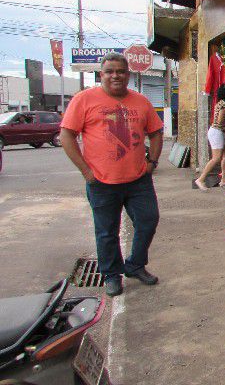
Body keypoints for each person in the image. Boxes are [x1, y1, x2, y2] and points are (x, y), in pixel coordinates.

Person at [60, 52, 164, 297]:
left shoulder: (141, 101)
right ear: (101, 74)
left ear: (128, 74)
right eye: (110, 71)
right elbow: (67, 136)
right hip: (101, 181)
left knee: (148, 220)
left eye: (120, 71)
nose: (115, 75)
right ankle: (111, 275)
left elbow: (156, 132)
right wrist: (86, 171)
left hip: (139, 179)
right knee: (107, 231)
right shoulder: (84, 99)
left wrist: (152, 162)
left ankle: (136, 265)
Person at [195, 83, 225, 190]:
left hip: (221, 132)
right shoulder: (223, 104)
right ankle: (200, 179)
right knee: (216, 158)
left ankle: (224, 179)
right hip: (217, 132)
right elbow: (220, 120)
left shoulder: (223, 103)